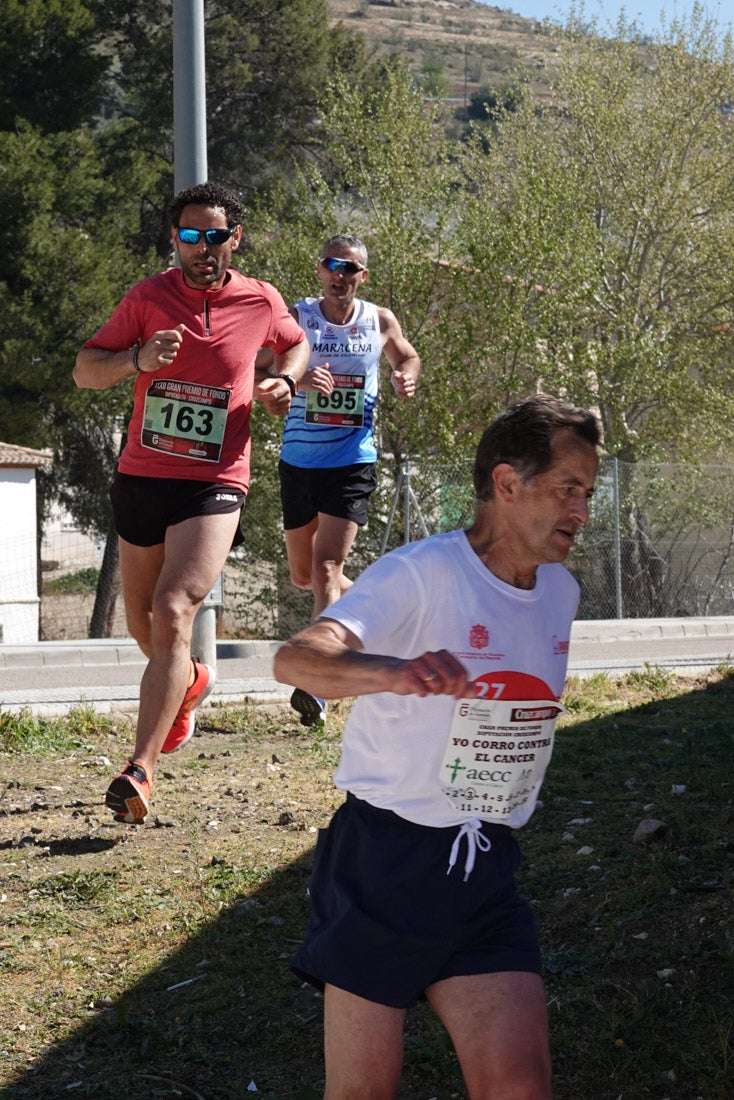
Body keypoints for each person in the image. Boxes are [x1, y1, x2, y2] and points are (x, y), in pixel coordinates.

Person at [274, 393, 601, 1099]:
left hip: (484, 867)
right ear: (507, 483)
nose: (582, 510)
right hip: (384, 864)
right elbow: (297, 660)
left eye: (589, 493)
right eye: (567, 489)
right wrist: (395, 672)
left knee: (519, 1088)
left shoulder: (560, 593)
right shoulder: (421, 572)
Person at [73, 181, 309, 825]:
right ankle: (193, 682)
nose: (201, 247)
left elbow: (293, 341)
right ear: (174, 240)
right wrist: (134, 359)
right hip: (143, 476)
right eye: (189, 235)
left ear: (236, 238)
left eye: (214, 235)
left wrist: (283, 379)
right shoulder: (148, 297)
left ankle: (140, 768)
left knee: (175, 610)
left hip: (216, 480)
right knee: (146, 629)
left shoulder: (260, 299)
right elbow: (85, 368)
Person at [273, 233, 421, 727]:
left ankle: (316, 683)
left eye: (351, 268)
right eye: (333, 266)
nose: (341, 275)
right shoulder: (298, 317)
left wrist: (407, 376)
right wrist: (297, 379)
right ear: (320, 270)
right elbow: (265, 370)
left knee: (327, 566)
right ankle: (388, 617)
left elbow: (407, 356)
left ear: (363, 276)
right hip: (298, 460)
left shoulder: (378, 320)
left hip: (352, 460)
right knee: (307, 576)